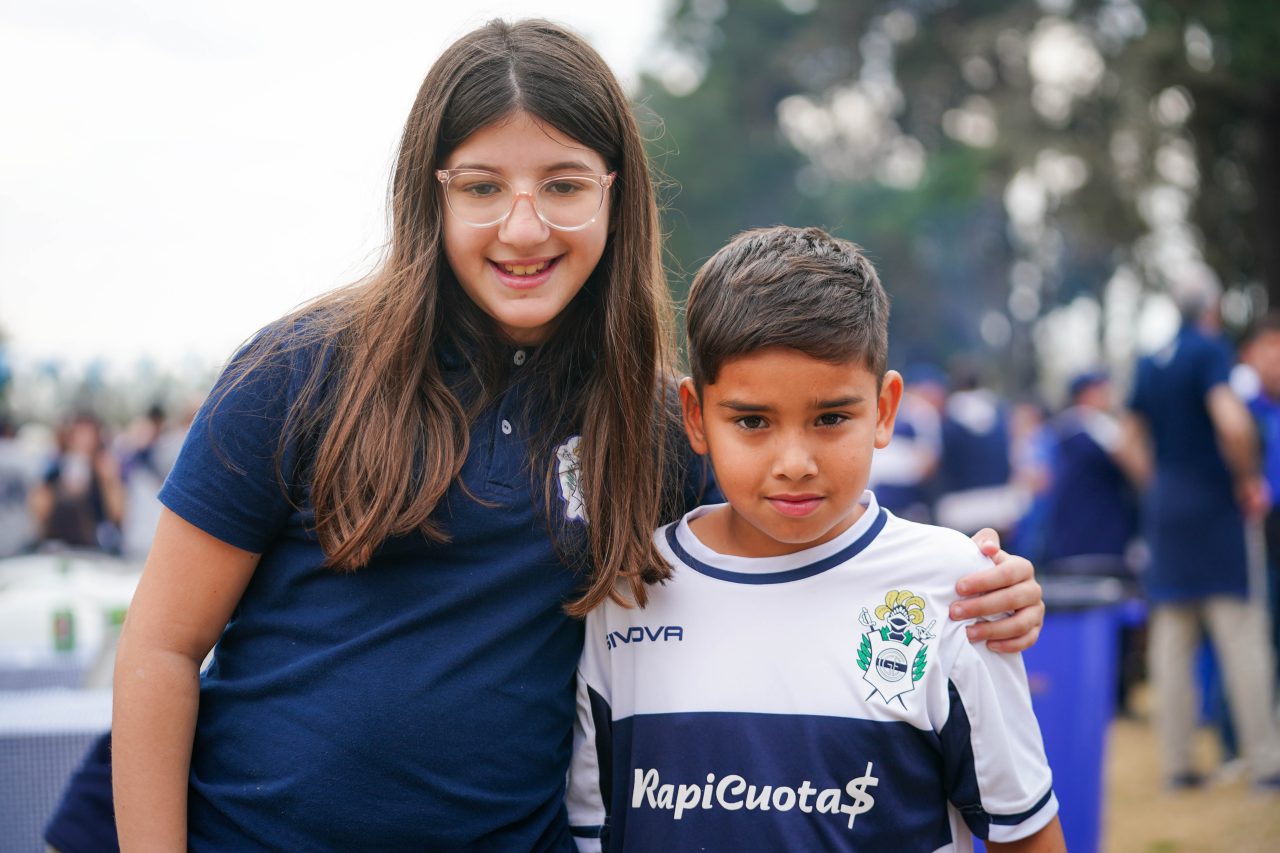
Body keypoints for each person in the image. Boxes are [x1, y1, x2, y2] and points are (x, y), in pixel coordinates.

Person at [113, 20, 1046, 850]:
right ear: (429, 197)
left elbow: (805, 545)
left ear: (614, 193)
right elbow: (161, 647)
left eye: (563, 184)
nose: (523, 227)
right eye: (482, 186)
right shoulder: (300, 370)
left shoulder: (658, 423)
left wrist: (980, 587)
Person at [568, 226, 1063, 851]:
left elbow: (1024, 832)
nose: (795, 463)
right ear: (695, 416)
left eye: (831, 418)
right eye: (753, 421)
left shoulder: (956, 590)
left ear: (884, 410)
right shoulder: (629, 590)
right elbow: (591, 828)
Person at [1124, 267, 1280, 789]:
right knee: (1242, 634)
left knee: (1172, 639)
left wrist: (1157, 486)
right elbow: (1232, 422)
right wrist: (1248, 478)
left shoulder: (1151, 360)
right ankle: (1267, 765)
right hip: (1214, 507)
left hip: (1167, 510)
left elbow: (1128, 441)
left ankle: (1178, 766)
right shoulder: (1210, 351)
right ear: (1212, 306)